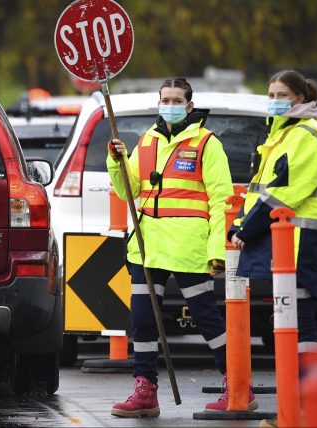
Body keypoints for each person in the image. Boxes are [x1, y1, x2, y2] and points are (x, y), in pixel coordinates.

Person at [107, 78, 252, 417]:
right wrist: (118, 160)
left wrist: (217, 248)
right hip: (148, 245)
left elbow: (221, 200)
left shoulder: (206, 143)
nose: (169, 104)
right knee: (142, 319)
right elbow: (128, 189)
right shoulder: (147, 141)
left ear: (189, 105)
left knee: (206, 317)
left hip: (189, 246)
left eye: (176, 99)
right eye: (164, 99)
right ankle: (145, 389)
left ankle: (237, 383)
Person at [229, 70, 317, 428]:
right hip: (285, 241)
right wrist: (240, 222)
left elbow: (286, 193)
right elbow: (261, 189)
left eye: (281, 94)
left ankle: (305, 406)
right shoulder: (284, 134)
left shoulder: (305, 137)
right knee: (293, 323)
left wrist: (246, 229)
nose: (274, 100)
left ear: (300, 98)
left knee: (300, 322)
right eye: (270, 94)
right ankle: (300, 406)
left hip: (297, 242)